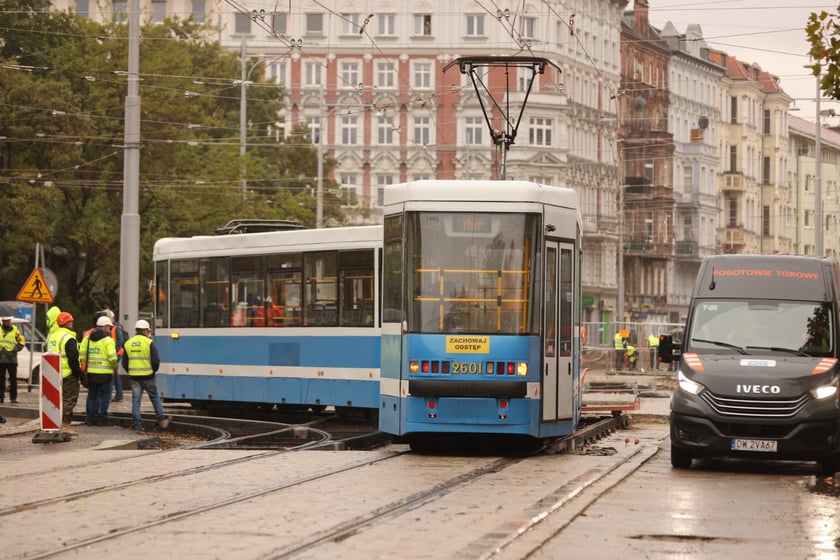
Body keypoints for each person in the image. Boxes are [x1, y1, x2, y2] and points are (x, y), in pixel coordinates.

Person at [122, 319, 171, 431]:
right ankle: (161, 420)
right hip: (148, 376)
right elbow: (155, 360)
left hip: (134, 377)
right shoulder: (149, 343)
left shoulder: (128, 343)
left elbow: (124, 363)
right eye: (148, 331)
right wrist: (152, 371)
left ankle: (137, 425)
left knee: (136, 400)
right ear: (144, 330)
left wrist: (131, 371)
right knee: (154, 397)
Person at [46, 311, 84, 434]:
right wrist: (77, 372)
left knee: (56, 400)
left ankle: (54, 423)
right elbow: (73, 358)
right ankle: (65, 426)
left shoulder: (52, 336)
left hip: (53, 374)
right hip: (68, 374)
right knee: (69, 400)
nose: (72, 324)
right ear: (67, 324)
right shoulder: (69, 338)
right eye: (71, 322)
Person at [80, 315, 118, 426]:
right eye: (110, 328)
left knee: (92, 395)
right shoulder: (108, 340)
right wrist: (113, 365)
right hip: (105, 373)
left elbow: (82, 355)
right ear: (106, 327)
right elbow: (112, 358)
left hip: (91, 372)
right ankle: (102, 418)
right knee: (104, 396)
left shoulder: (87, 339)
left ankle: (90, 418)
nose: (110, 330)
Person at [102, 309, 127, 402]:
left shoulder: (116, 328)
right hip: (114, 353)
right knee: (115, 374)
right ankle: (118, 395)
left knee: (113, 373)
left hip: (116, 354)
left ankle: (113, 395)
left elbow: (120, 341)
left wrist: (113, 351)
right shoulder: (115, 327)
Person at [0, 316, 26, 403]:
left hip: (11, 359)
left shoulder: (15, 330)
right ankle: (1, 397)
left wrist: (15, 350)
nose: (8, 322)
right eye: (6, 321)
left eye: (9, 321)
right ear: (3, 321)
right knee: (1, 379)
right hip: (1, 359)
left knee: (13, 380)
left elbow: (22, 341)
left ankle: (13, 398)